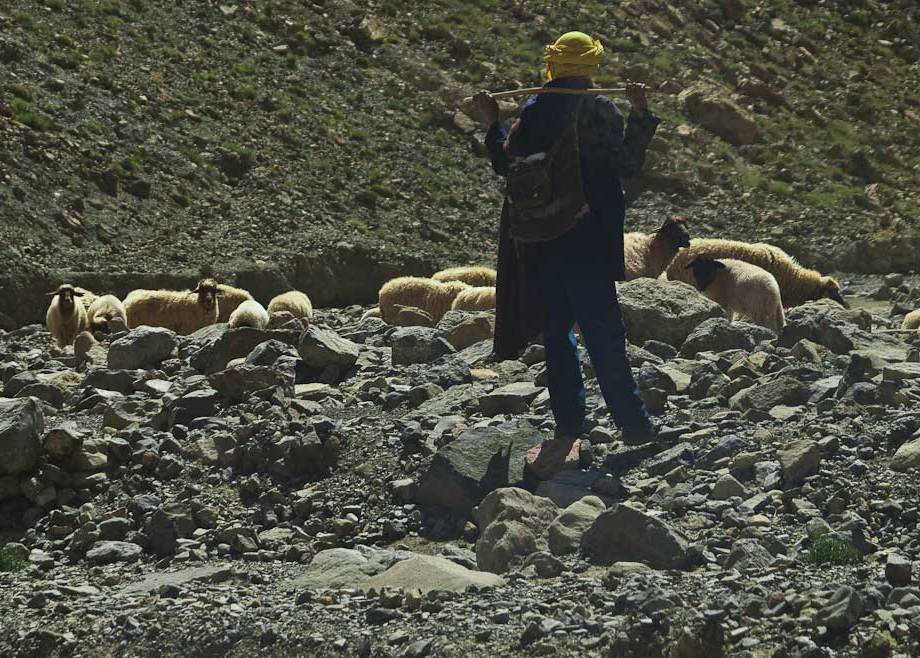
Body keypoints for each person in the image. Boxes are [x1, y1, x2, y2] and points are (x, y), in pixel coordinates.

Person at [473, 31, 660, 445]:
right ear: (592, 65)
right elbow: (627, 164)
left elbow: (506, 162)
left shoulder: (535, 109)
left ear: (553, 63)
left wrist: (491, 121)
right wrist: (641, 113)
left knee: (557, 334)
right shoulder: (600, 108)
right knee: (603, 333)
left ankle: (570, 424)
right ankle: (634, 424)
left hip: (542, 241)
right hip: (590, 240)